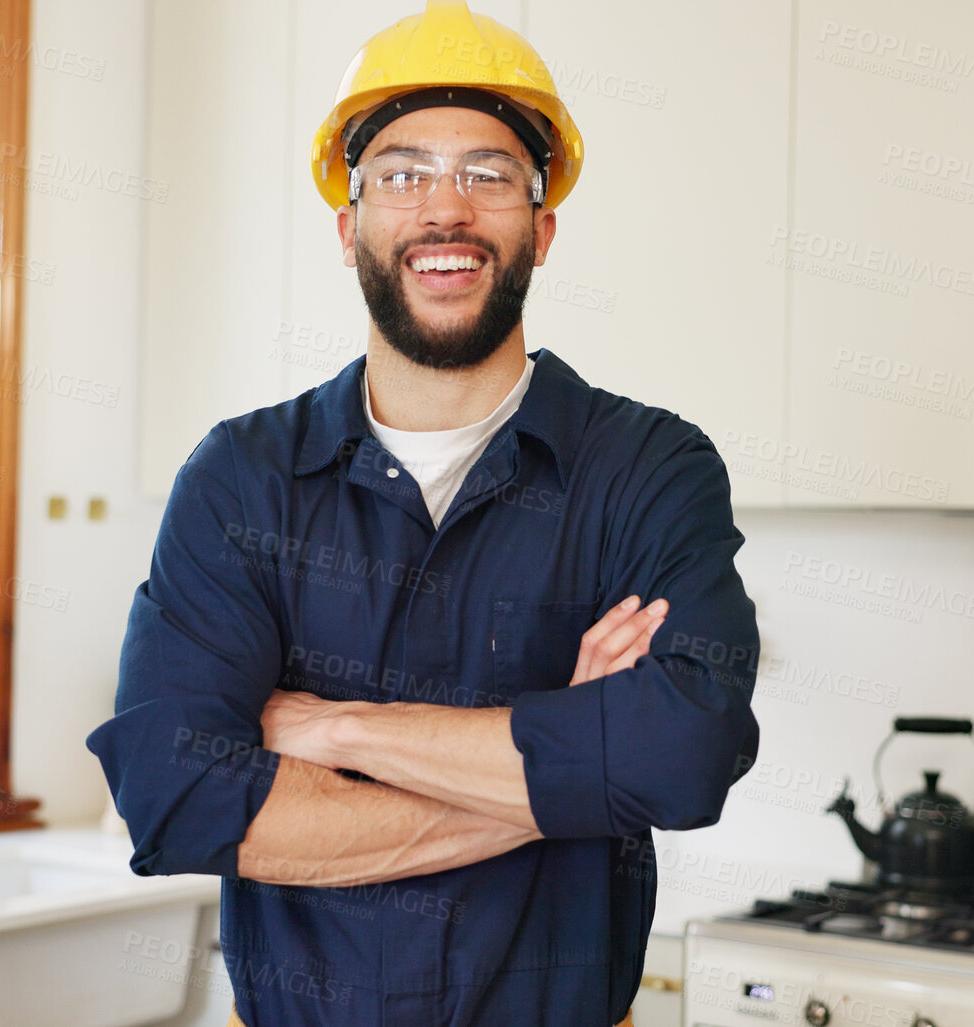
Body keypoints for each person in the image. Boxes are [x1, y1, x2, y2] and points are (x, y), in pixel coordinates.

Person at [86, 2, 760, 1023]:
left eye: (487, 174)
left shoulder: (647, 466)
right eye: (402, 174)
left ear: (540, 226)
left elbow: (682, 755)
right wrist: (570, 767)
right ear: (351, 226)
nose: (445, 209)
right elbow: (176, 795)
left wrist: (332, 727)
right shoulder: (243, 475)